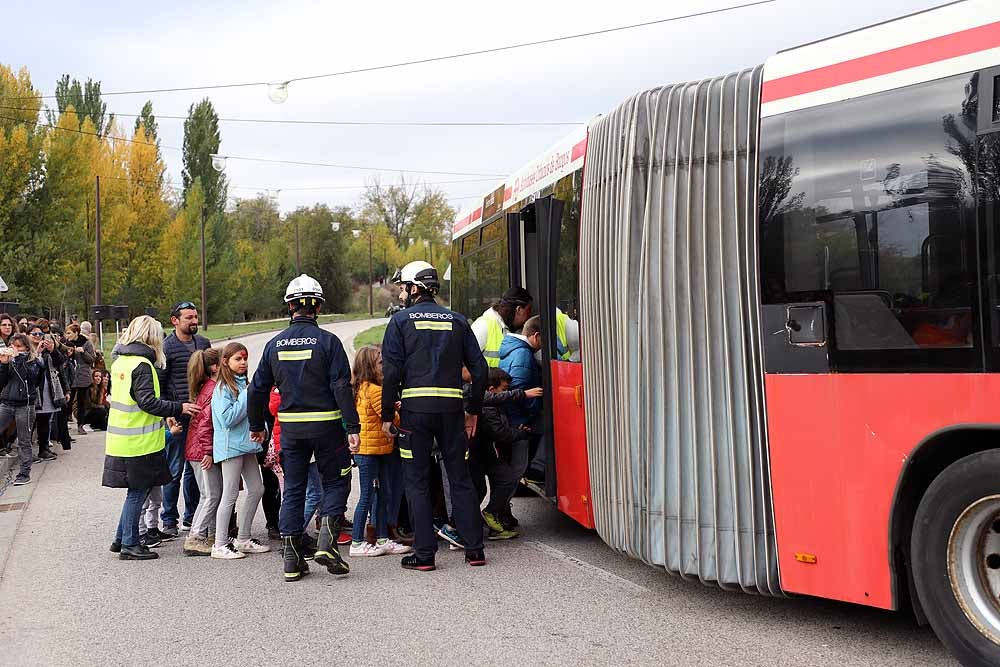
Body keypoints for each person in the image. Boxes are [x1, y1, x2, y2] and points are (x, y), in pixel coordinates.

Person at [247, 274, 360, 582]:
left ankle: (292, 561)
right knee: (336, 483)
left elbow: (257, 389)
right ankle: (327, 544)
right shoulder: (329, 342)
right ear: (318, 308)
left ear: (290, 307)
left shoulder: (273, 345)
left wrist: (257, 426)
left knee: (294, 490)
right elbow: (341, 385)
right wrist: (352, 425)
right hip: (327, 428)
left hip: (292, 431)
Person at [381, 260, 488, 571]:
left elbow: (391, 373)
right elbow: (479, 371)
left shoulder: (400, 322)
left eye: (404, 287)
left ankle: (425, 554)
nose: (402, 292)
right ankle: (475, 549)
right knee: (460, 479)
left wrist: (388, 414)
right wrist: (473, 411)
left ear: (415, 289)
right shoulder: (457, 320)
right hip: (452, 413)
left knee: (417, 481)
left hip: (415, 413)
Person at [103, 316, 199, 561]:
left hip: (121, 438)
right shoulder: (143, 365)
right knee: (139, 492)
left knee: (136, 492)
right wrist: (178, 407)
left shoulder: (121, 361)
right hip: (140, 441)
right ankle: (130, 544)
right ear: (151, 336)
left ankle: (121, 538)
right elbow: (147, 402)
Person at [349, 344, 411, 557]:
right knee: (367, 495)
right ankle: (357, 542)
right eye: (380, 363)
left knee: (383, 493)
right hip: (370, 450)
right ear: (370, 367)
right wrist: (398, 410)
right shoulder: (375, 390)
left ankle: (383, 538)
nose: (384, 366)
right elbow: (390, 417)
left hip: (378, 448)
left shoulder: (360, 387)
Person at [212, 342, 270, 559]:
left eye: (245, 358)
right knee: (230, 494)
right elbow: (228, 419)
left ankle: (243, 538)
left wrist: (261, 428)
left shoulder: (245, 384)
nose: (243, 362)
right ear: (225, 361)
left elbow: (254, 412)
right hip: (231, 447)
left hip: (247, 444)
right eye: (238, 359)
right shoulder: (223, 389)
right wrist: (247, 395)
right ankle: (219, 543)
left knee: (257, 488)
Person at [160, 301, 211, 537]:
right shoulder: (166, 347)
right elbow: (159, 385)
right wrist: (169, 414)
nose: (194, 321)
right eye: (189, 317)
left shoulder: (203, 343)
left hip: (201, 417)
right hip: (178, 416)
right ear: (175, 321)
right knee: (174, 469)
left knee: (197, 469)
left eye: (195, 316)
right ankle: (169, 519)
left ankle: (192, 517)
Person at [478, 368, 541, 539]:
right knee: (507, 480)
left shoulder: (492, 405)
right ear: (492, 390)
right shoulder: (489, 407)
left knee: (496, 483)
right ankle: (490, 514)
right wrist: (521, 434)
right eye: (504, 389)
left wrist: (515, 430)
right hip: (486, 454)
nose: (506, 394)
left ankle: (493, 522)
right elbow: (500, 434)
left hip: (487, 453)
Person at [182, 348, 221, 557]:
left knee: (213, 493)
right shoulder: (213, 389)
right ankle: (196, 537)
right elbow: (206, 423)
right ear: (215, 367)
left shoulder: (207, 387)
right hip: (201, 450)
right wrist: (208, 450)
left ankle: (213, 534)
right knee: (211, 495)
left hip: (198, 448)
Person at [500, 315, 545, 486]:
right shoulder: (523, 354)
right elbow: (517, 388)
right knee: (552, 427)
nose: (542, 346)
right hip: (520, 418)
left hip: (511, 415)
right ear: (536, 335)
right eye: (543, 340)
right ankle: (538, 469)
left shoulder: (511, 348)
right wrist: (524, 418)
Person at [0, 333, 44, 486]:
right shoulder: (9, 360)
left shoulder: (33, 361)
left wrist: (18, 359)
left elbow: (31, 378)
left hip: (25, 404)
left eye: (18, 346)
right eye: (13, 346)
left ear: (26, 347)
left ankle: (24, 473)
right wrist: (4, 365)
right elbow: (2, 382)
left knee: (24, 440)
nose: (15, 349)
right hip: (7, 402)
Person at [471, 287, 534, 367]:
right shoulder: (483, 326)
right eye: (528, 311)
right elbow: (465, 369)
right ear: (518, 309)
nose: (529, 316)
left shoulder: (516, 328)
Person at [28, 323, 63, 460]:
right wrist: (37, 353)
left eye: (40, 334)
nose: (38, 337)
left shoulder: (47, 350)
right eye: (34, 334)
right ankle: (28, 452)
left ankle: (44, 449)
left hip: (48, 389)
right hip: (34, 390)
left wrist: (53, 350)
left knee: (45, 420)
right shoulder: (27, 349)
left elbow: (60, 362)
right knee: (31, 422)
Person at [65, 323, 96, 435]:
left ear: (76, 333)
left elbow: (92, 359)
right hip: (70, 376)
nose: (67, 335)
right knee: (68, 400)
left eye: (69, 333)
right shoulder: (66, 344)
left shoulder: (86, 343)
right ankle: (66, 421)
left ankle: (80, 425)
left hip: (83, 376)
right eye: (66, 333)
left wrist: (83, 352)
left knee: (82, 402)